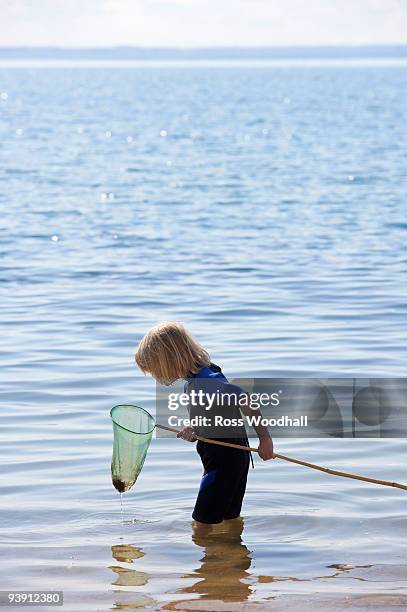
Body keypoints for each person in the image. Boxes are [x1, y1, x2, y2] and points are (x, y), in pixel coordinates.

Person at [135, 321, 274, 526]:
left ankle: (216, 556)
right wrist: (195, 431)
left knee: (202, 525)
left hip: (223, 464)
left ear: (170, 359)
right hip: (232, 459)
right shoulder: (199, 378)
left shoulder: (206, 381)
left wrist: (264, 438)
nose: (157, 376)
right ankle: (232, 555)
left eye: (156, 369)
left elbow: (244, 398)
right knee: (230, 521)